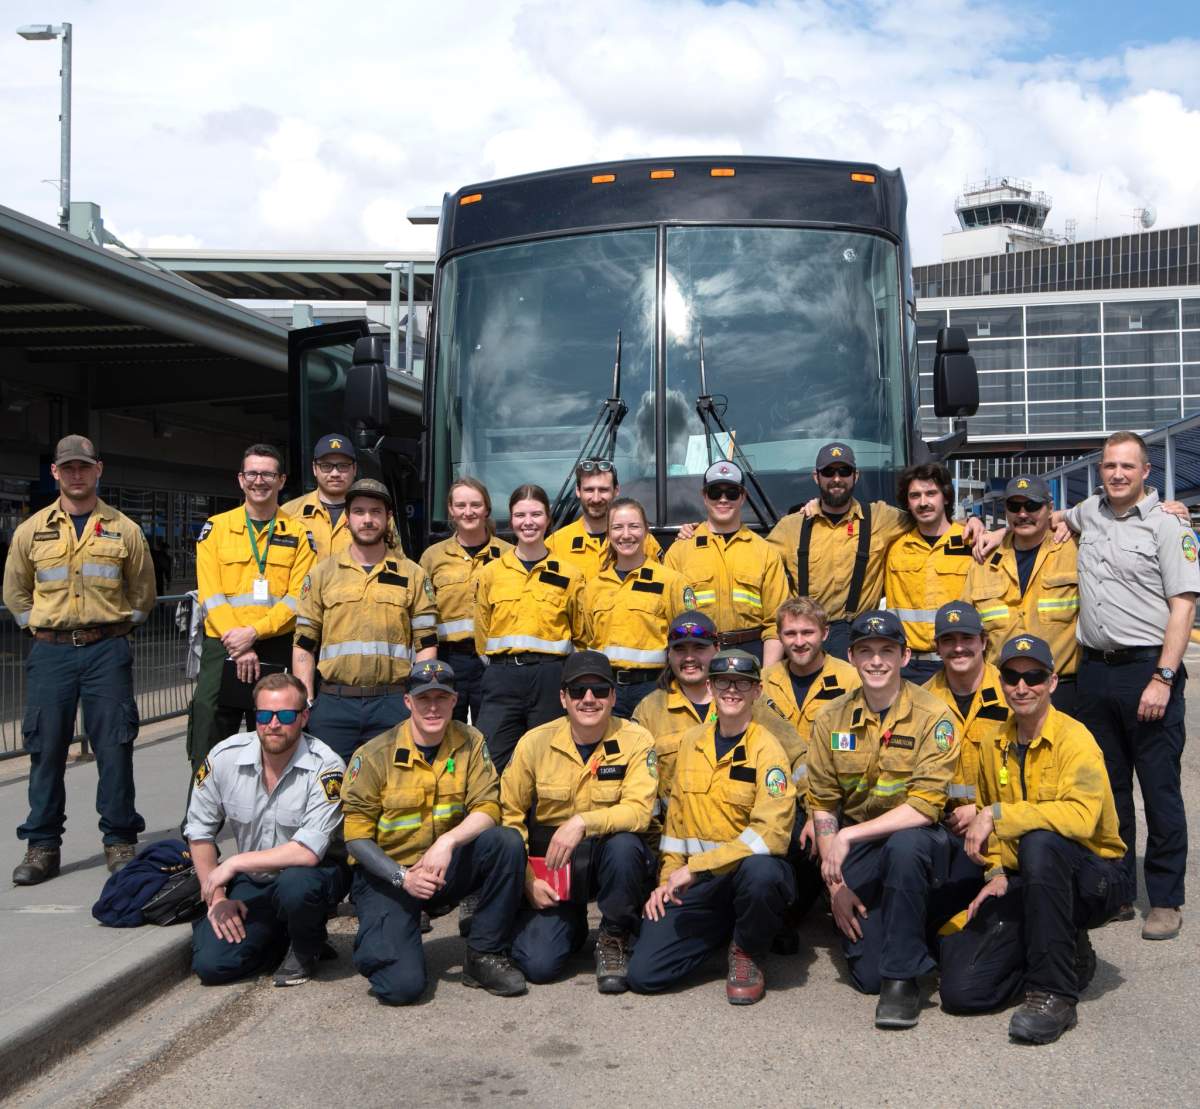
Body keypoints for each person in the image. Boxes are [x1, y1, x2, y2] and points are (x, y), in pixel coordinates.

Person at [940, 635, 1128, 1044]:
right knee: (961, 990)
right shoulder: (995, 742)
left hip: (1094, 879)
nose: (1022, 686)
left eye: (1034, 676)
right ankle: (1066, 953)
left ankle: (1054, 994)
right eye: (1012, 676)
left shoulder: (1076, 740)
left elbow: (1080, 819)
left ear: (1053, 682)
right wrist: (995, 871)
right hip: (1028, 876)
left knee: (1041, 842)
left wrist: (998, 814)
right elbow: (989, 818)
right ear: (1001, 680)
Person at [1061, 431, 1199, 941]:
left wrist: (1164, 677)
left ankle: (1165, 898)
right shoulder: (1088, 513)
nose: (1117, 474)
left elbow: (1183, 605)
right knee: (1110, 787)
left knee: (1158, 788)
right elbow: (1047, 520)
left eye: (1127, 466)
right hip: (1094, 669)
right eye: (1109, 466)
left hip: (1147, 669)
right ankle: (1117, 890)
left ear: (1146, 472)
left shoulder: (1168, 525)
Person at [4, 434, 156, 884]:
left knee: (114, 747)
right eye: (67, 467)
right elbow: (14, 591)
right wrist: (40, 625)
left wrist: (112, 627)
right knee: (45, 749)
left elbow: (143, 592)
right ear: (55, 472)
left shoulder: (125, 529)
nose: (75, 474)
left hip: (106, 650)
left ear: (98, 469)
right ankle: (42, 848)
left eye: (83, 467)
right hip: (50, 653)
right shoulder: (30, 530)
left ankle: (119, 842)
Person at [340, 660, 528, 1004]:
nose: (432, 707)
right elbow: (355, 837)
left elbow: (488, 808)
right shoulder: (374, 754)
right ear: (408, 702)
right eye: (423, 698)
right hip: (389, 876)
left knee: (506, 842)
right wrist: (402, 878)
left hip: (444, 867)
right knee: (401, 988)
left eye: (441, 698)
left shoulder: (471, 741)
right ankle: (389, 933)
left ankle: (484, 954)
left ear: (455, 701)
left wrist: (448, 841)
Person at [807, 610, 961, 1029]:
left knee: (905, 847)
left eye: (887, 651)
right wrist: (835, 884)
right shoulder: (831, 719)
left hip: (920, 841)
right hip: (861, 849)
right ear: (852, 657)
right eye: (866, 652)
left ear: (905, 656)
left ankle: (902, 981)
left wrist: (848, 835)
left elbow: (927, 805)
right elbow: (821, 801)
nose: (877, 661)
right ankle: (902, 948)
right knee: (866, 975)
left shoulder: (935, 717)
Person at [626, 650, 797, 1004]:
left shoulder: (768, 749)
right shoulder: (692, 742)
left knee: (763, 872)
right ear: (710, 686)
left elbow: (770, 835)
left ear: (757, 691)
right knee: (644, 975)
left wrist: (694, 868)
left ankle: (746, 950)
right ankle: (724, 930)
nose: (731, 690)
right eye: (723, 682)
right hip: (699, 884)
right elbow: (676, 825)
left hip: (742, 878)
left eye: (742, 683)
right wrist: (665, 882)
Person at [502, 651, 657, 993]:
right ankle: (569, 926)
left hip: (608, 861)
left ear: (613, 696)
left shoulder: (636, 740)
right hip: (554, 871)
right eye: (578, 691)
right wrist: (526, 880)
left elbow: (639, 811)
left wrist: (582, 822)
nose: (589, 699)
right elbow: (509, 817)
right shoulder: (534, 743)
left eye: (600, 690)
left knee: (625, 846)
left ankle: (615, 935)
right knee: (538, 965)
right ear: (563, 697)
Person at [186, 673, 348, 987]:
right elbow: (200, 831)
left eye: (285, 715)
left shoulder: (326, 767)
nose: (273, 724)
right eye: (264, 715)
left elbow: (307, 851)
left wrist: (231, 864)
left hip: (312, 877)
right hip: (257, 880)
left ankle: (305, 946)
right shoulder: (224, 758)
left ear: (303, 717)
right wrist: (217, 897)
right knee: (212, 965)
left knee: (296, 884)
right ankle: (280, 936)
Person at [187, 444, 315, 776]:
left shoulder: (300, 534)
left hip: (275, 646)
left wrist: (254, 633)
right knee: (209, 736)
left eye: (268, 474)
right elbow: (211, 594)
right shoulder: (215, 530)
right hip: (224, 647)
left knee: (278, 737)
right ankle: (199, 823)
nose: (260, 481)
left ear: (282, 480)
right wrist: (239, 641)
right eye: (253, 474)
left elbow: (297, 599)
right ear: (241, 480)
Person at [292, 479, 438, 764]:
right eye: (359, 511)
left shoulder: (413, 575)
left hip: (393, 704)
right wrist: (307, 701)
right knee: (329, 794)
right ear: (347, 519)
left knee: (396, 794)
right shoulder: (322, 574)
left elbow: (426, 643)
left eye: (375, 512)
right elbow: (304, 642)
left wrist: (418, 697)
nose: (368, 519)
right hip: (333, 705)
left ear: (388, 518)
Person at [633, 612, 800, 813]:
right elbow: (639, 786)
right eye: (679, 649)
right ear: (668, 654)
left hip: (744, 830)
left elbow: (798, 757)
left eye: (699, 648)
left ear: (717, 649)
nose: (689, 658)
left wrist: (814, 813)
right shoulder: (649, 710)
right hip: (677, 834)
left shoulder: (750, 699)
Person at [474, 484, 586, 772]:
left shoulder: (569, 575)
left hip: (550, 677)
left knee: (549, 760)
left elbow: (582, 635)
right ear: (510, 520)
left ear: (547, 519)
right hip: (501, 678)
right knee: (490, 760)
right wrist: (500, 667)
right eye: (520, 514)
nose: (528, 522)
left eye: (536, 514)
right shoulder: (491, 574)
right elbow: (482, 633)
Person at [765, 442, 911, 660]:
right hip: (807, 639)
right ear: (816, 477)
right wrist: (699, 529)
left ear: (856, 475)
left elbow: (931, 519)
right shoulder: (791, 527)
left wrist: (974, 527)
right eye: (828, 472)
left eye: (844, 471)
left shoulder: (881, 518)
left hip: (857, 637)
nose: (836, 479)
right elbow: (753, 557)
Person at [962, 474, 1081, 714]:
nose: (1023, 513)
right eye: (1014, 506)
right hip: (1002, 689)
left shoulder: (1076, 549)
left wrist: (1166, 509)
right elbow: (968, 630)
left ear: (1050, 508)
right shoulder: (983, 560)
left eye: (1032, 505)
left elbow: (1112, 511)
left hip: (1061, 689)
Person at [664, 460, 788, 665]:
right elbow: (667, 617)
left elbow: (776, 622)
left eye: (731, 493)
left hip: (751, 652)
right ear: (704, 496)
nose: (723, 499)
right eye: (715, 493)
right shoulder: (680, 550)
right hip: (695, 651)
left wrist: (766, 675)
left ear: (743, 497)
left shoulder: (765, 552)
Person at [582, 497, 690, 719]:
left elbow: (686, 641)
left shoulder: (672, 582)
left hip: (655, 688)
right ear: (608, 533)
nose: (626, 534)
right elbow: (587, 638)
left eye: (634, 526)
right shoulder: (593, 587)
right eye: (617, 527)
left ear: (646, 530)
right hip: (607, 691)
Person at [419, 477, 511, 723]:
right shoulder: (433, 557)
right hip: (449, 659)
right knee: (448, 730)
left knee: (492, 731)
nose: (468, 512)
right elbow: (420, 613)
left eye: (475, 505)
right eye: (460, 506)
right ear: (450, 510)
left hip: (493, 662)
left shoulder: (508, 556)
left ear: (487, 509)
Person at [884, 463, 974, 682]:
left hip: (958, 661)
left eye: (931, 493)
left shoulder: (971, 541)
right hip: (907, 665)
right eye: (915, 495)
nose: (923, 502)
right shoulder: (894, 547)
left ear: (945, 497)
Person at [281, 434, 402, 560]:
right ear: (314, 468)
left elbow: (396, 564)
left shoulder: (376, 515)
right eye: (326, 466)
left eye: (343, 466)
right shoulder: (289, 513)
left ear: (354, 468)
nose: (335, 474)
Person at [546, 459, 661, 577]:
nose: (596, 498)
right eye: (589, 490)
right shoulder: (555, 545)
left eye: (603, 490)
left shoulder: (644, 542)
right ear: (578, 491)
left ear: (616, 490)